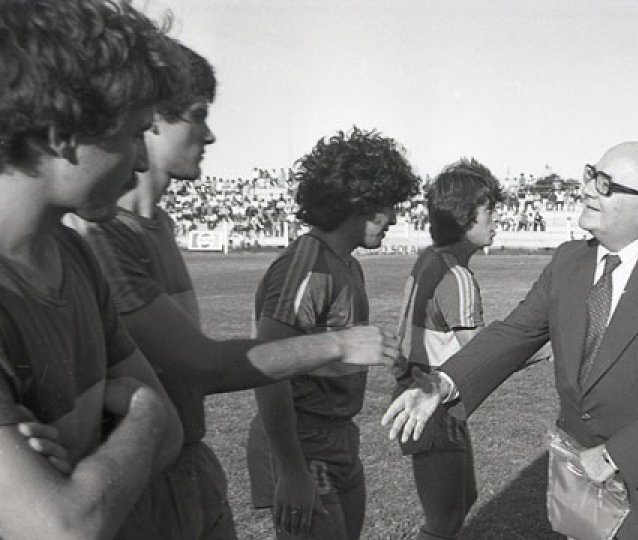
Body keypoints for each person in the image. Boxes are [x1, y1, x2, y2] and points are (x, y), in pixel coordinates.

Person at [64, 43, 399, 540]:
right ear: (150, 120)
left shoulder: (158, 227)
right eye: (198, 116)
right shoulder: (103, 235)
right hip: (141, 483)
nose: (211, 133)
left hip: (190, 463)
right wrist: (339, 344)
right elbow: (202, 365)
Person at [385, 142, 638, 539]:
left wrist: (615, 455)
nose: (587, 188)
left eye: (606, 184)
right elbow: (515, 332)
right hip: (584, 496)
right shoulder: (568, 261)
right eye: (591, 174)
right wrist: (442, 382)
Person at [0, 1, 185, 537]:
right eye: (132, 133)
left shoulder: (75, 254)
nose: (142, 162)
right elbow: (67, 528)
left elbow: (172, 439)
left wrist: (77, 477)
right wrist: (143, 414)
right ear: (61, 135)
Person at [247, 127, 420, 540]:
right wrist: (290, 470)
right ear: (355, 203)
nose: (394, 218)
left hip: (340, 434)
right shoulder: (307, 266)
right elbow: (267, 369)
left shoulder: (348, 264)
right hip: (303, 439)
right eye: (387, 206)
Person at [394, 158, 502, 539]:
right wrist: (548, 346)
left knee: (462, 500)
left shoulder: (430, 259)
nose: (496, 219)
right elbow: (484, 354)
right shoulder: (455, 276)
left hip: (427, 393)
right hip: (430, 399)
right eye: (489, 210)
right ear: (464, 215)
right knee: (444, 519)